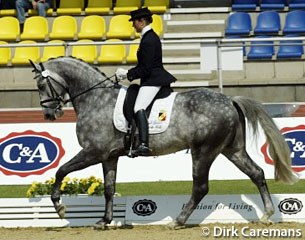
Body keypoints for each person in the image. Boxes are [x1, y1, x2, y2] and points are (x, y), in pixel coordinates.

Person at [115, 7, 176, 156]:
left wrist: (127, 74)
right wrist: (128, 73)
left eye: (134, 22)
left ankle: (143, 144)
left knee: (138, 107)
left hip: (153, 79)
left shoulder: (149, 39)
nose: (132, 25)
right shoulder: (148, 37)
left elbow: (146, 68)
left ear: (141, 21)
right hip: (150, 78)